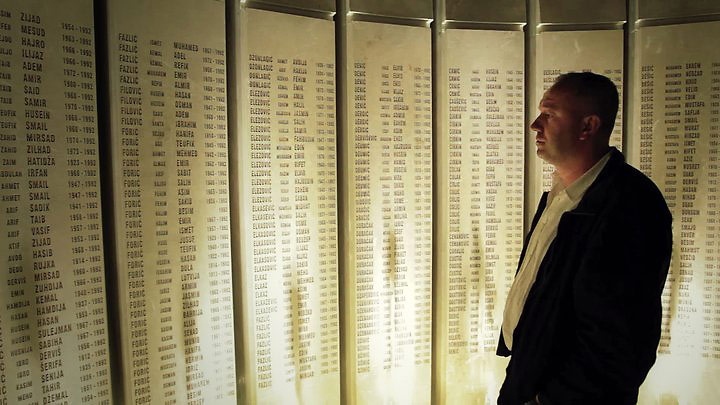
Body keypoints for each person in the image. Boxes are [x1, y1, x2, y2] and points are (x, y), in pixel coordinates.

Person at [497, 72, 672, 404]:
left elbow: (619, 341)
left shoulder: (629, 205)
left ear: (587, 126)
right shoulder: (565, 191)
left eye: (549, 114)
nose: (536, 125)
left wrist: (546, 398)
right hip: (530, 380)